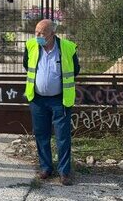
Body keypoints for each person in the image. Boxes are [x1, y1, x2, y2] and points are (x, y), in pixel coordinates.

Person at [23, 19, 79, 186]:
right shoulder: (31, 45)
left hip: (59, 100)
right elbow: (27, 65)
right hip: (38, 100)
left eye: (42, 33)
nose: (38, 36)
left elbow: (76, 69)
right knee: (41, 135)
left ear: (52, 34)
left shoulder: (68, 48)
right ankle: (46, 168)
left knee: (63, 137)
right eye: (36, 32)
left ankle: (64, 172)